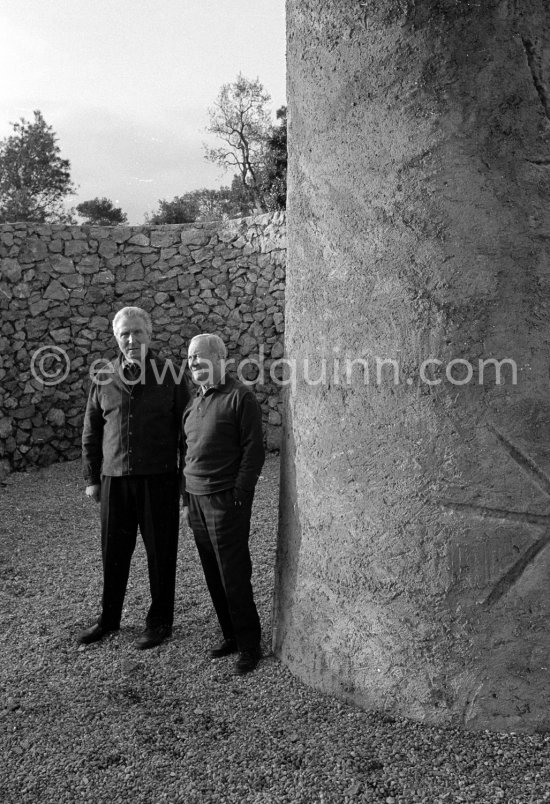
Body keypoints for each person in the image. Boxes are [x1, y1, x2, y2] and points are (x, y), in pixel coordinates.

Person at [79, 306, 189, 649]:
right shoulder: (103, 376)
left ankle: (160, 623)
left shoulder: (171, 375)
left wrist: (185, 485)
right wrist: (91, 478)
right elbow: (91, 431)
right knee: (113, 552)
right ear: (116, 337)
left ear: (149, 335)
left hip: (159, 480)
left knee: (161, 553)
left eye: (137, 332)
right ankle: (109, 620)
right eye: (125, 333)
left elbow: (188, 433)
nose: (131, 339)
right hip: (114, 479)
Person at [182, 333, 265, 674]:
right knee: (212, 573)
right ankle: (230, 634)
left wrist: (239, 495)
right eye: (189, 359)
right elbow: (185, 453)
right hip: (197, 501)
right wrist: (186, 499)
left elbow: (253, 450)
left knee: (233, 574)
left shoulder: (239, 397)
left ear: (220, 359)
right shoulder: (194, 402)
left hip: (224, 500)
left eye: (200, 357)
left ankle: (249, 645)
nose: (194, 364)